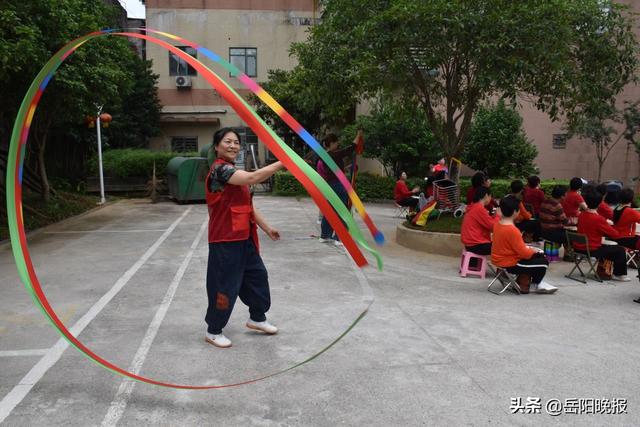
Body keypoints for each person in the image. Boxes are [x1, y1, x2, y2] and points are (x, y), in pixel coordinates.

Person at [204, 128, 284, 348]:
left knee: (258, 277)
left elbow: (247, 206)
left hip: (244, 237)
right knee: (225, 285)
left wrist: (267, 228)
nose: (232, 146)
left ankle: (257, 318)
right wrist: (282, 163)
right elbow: (253, 177)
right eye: (227, 142)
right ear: (217, 146)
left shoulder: (233, 171)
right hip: (225, 239)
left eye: (236, 142)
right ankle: (214, 330)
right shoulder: (220, 170)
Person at [491, 195, 557, 294]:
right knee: (543, 261)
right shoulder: (512, 230)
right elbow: (524, 254)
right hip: (510, 263)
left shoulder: (497, 224)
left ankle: (528, 282)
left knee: (536, 256)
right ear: (515, 212)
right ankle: (536, 284)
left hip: (498, 260)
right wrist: (534, 251)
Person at [575, 189, 630, 281]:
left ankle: (604, 270)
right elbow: (615, 234)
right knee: (620, 250)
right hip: (591, 249)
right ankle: (619, 274)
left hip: (578, 248)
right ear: (600, 203)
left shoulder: (581, 215)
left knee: (609, 248)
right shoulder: (598, 219)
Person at [317, 132, 358, 245]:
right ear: (331, 143)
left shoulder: (324, 156)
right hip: (338, 186)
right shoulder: (335, 154)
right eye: (336, 142)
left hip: (330, 186)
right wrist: (358, 135)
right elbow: (351, 148)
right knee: (343, 211)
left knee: (330, 210)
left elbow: (335, 170)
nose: (338, 144)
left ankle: (324, 235)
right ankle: (339, 237)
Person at [460, 187, 499, 255]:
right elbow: (493, 226)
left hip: (470, 245)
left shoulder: (473, 206)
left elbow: (486, 221)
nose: (491, 199)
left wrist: (494, 216)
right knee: (505, 246)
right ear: (486, 195)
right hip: (477, 245)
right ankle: (504, 264)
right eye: (490, 196)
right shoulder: (479, 208)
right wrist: (498, 215)